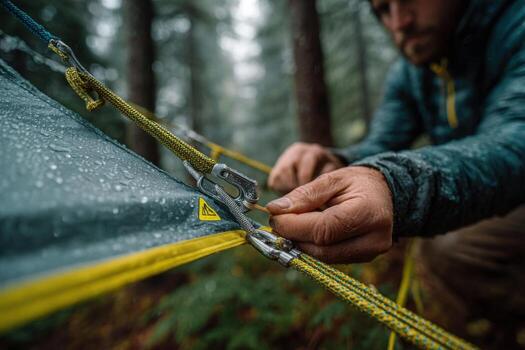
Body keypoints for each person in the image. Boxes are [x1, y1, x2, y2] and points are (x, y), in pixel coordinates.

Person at [266, 0, 525, 346]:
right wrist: (335, 163)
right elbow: (381, 143)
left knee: (452, 249)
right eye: (383, 9)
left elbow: (515, 144)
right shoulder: (412, 71)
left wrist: (395, 186)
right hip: (491, 199)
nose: (399, 22)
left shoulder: (516, 24)